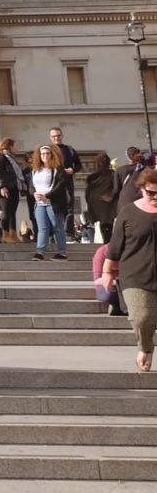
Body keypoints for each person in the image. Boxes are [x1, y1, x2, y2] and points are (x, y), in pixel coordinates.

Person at [101, 168, 157, 371]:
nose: (155, 197)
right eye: (151, 192)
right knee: (141, 316)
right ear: (141, 189)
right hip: (134, 274)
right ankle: (145, 348)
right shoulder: (128, 211)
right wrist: (107, 272)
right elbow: (115, 246)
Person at [29, 145, 70, 261]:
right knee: (42, 228)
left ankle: (62, 253)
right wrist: (34, 194)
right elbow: (31, 186)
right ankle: (40, 252)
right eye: (42, 154)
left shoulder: (58, 170)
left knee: (58, 227)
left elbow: (60, 186)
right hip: (39, 204)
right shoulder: (35, 171)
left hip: (53, 203)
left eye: (47, 153)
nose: (45, 156)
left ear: (52, 155)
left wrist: (47, 195)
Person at [0, 138, 25, 244]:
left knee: (12, 212)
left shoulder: (12, 158)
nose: (17, 148)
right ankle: (5, 233)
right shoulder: (1, 157)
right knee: (5, 211)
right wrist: (2, 186)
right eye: (15, 146)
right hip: (6, 187)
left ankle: (13, 234)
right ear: (9, 146)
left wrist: (22, 183)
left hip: (14, 187)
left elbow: (16, 173)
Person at [49, 127, 82, 235]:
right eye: (54, 136)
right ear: (50, 138)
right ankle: (53, 233)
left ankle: (69, 233)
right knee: (53, 207)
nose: (56, 138)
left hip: (67, 181)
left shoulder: (69, 149)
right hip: (52, 182)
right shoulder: (47, 150)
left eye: (58, 135)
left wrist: (72, 170)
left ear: (61, 136)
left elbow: (78, 165)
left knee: (69, 206)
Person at [85, 152, 118, 245]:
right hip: (103, 203)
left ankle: (107, 244)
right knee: (106, 224)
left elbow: (88, 192)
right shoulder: (112, 174)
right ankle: (107, 244)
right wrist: (111, 197)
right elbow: (116, 188)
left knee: (104, 224)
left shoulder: (93, 177)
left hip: (100, 203)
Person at [93, 242, 125, 316]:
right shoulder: (102, 251)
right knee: (108, 293)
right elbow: (97, 280)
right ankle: (118, 306)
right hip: (112, 286)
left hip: (126, 284)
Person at [114, 146, 146, 211]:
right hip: (141, 202)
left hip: (125, 202)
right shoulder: (146, 170)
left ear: (128, 157)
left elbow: (116, 190)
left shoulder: (120, 170)